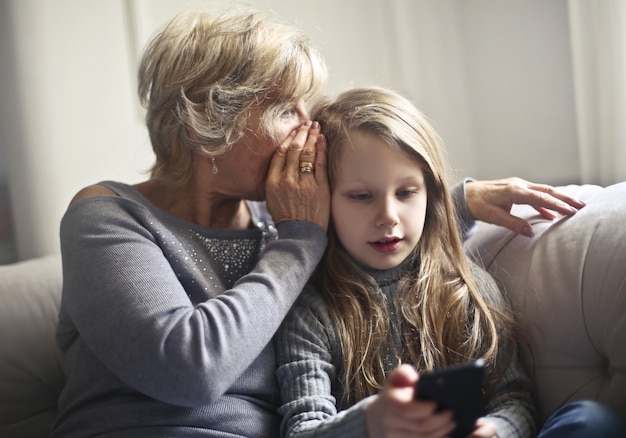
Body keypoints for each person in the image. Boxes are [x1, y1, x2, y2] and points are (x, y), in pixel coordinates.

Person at [50, 7, 588, 438]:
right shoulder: (108, 217)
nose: (309, 131)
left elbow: (371, 216)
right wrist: (300, 241)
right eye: (287, 109)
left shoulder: (279, 217)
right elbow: (189, 369)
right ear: (209, 121)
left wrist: (458, 199)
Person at [275, 86, 626, 438]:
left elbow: (513, 399)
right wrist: (371, 422)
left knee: (590, 420)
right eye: (361, 196)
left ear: (431, 194)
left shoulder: (464, 285)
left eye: (406, 192)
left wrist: (496, 430)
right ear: (323, 200)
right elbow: (303, 429)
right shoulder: (311, 311)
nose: (388, 216)